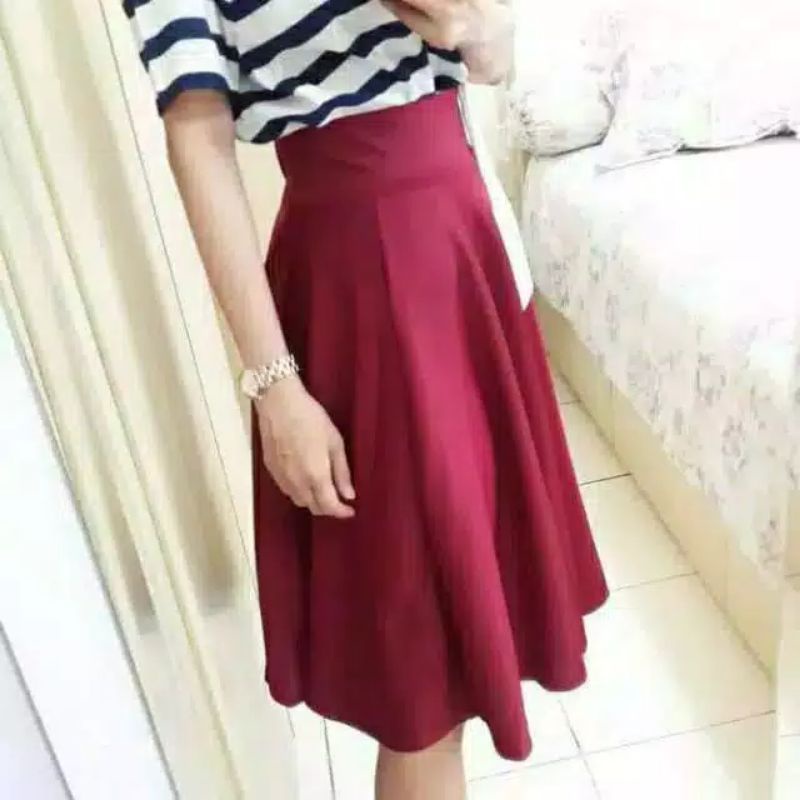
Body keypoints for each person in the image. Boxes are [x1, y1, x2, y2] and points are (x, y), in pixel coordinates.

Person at [122, 1, 609, 797]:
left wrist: (470, 25)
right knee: (423, 681)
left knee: (454, 653)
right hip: (368, 279)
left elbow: (484, 51)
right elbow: (197, 136)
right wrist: (275, 386)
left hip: (464, 241)